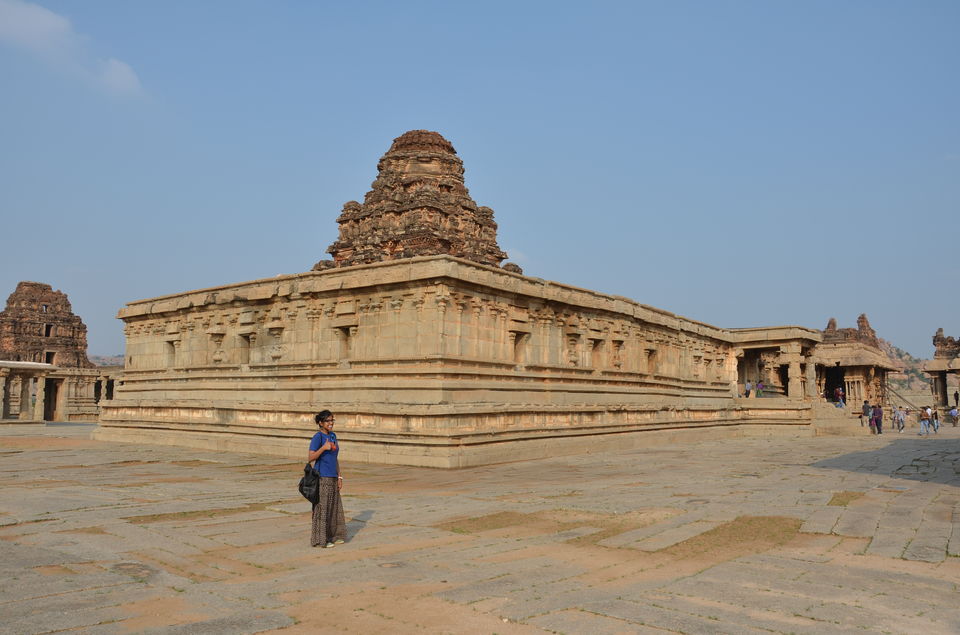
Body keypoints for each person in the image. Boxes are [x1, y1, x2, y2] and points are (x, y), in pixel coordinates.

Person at [308, 410, 346, 548]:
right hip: (322, 477)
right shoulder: (318, 437)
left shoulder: (333, 436)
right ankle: (321, 539)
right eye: (328, 421)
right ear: (321, 423)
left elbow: (335, 459)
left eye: (332, 420)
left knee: (333, 508)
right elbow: (310, 457)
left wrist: (339, 476)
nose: (331, 423)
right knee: (322, 509)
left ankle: (334, 535)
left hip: (333, 476)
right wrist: (323, 448)